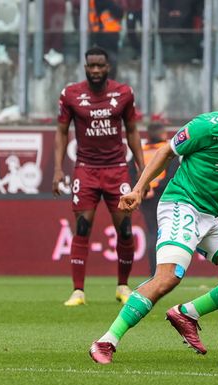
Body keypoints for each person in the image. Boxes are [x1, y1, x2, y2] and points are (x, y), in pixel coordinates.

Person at [88, 84, 218, 364]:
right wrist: (138, 189)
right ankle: (105, 342)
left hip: (213, 216)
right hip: (181, 204)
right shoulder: (208, 126)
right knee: (168, 277)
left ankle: (187, 313)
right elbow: (165, 152)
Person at [52, 47, 145, 307]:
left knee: (125, 229)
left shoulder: (124, 93)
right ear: (85, 67)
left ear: (108, 67)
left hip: (117, 168)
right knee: (82, 227)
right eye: (90, 66)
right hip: (86, 169)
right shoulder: (70, 94)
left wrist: (142, 169)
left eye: (99, 66)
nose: (95, 70)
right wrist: (58, 170)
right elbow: (60, 131)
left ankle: (123, 286)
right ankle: (78, 291)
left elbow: (133, 130)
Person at [138, 122, 178, 276]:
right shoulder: (168, 150)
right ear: (162, 134)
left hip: (145, 197)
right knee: (166, 234)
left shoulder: (142, 152)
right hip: (163, 197)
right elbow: (172, 175)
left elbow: (131, 171)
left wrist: (141, 189)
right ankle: (164, 272)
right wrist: (155, 188)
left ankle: (154, 272)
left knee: (152, 233)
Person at [89, 0, 123, 79]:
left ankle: (109, 84)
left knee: (111, 63)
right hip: (99, 35)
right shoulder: (96, 2)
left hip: (111, 35)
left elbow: (119, 13)